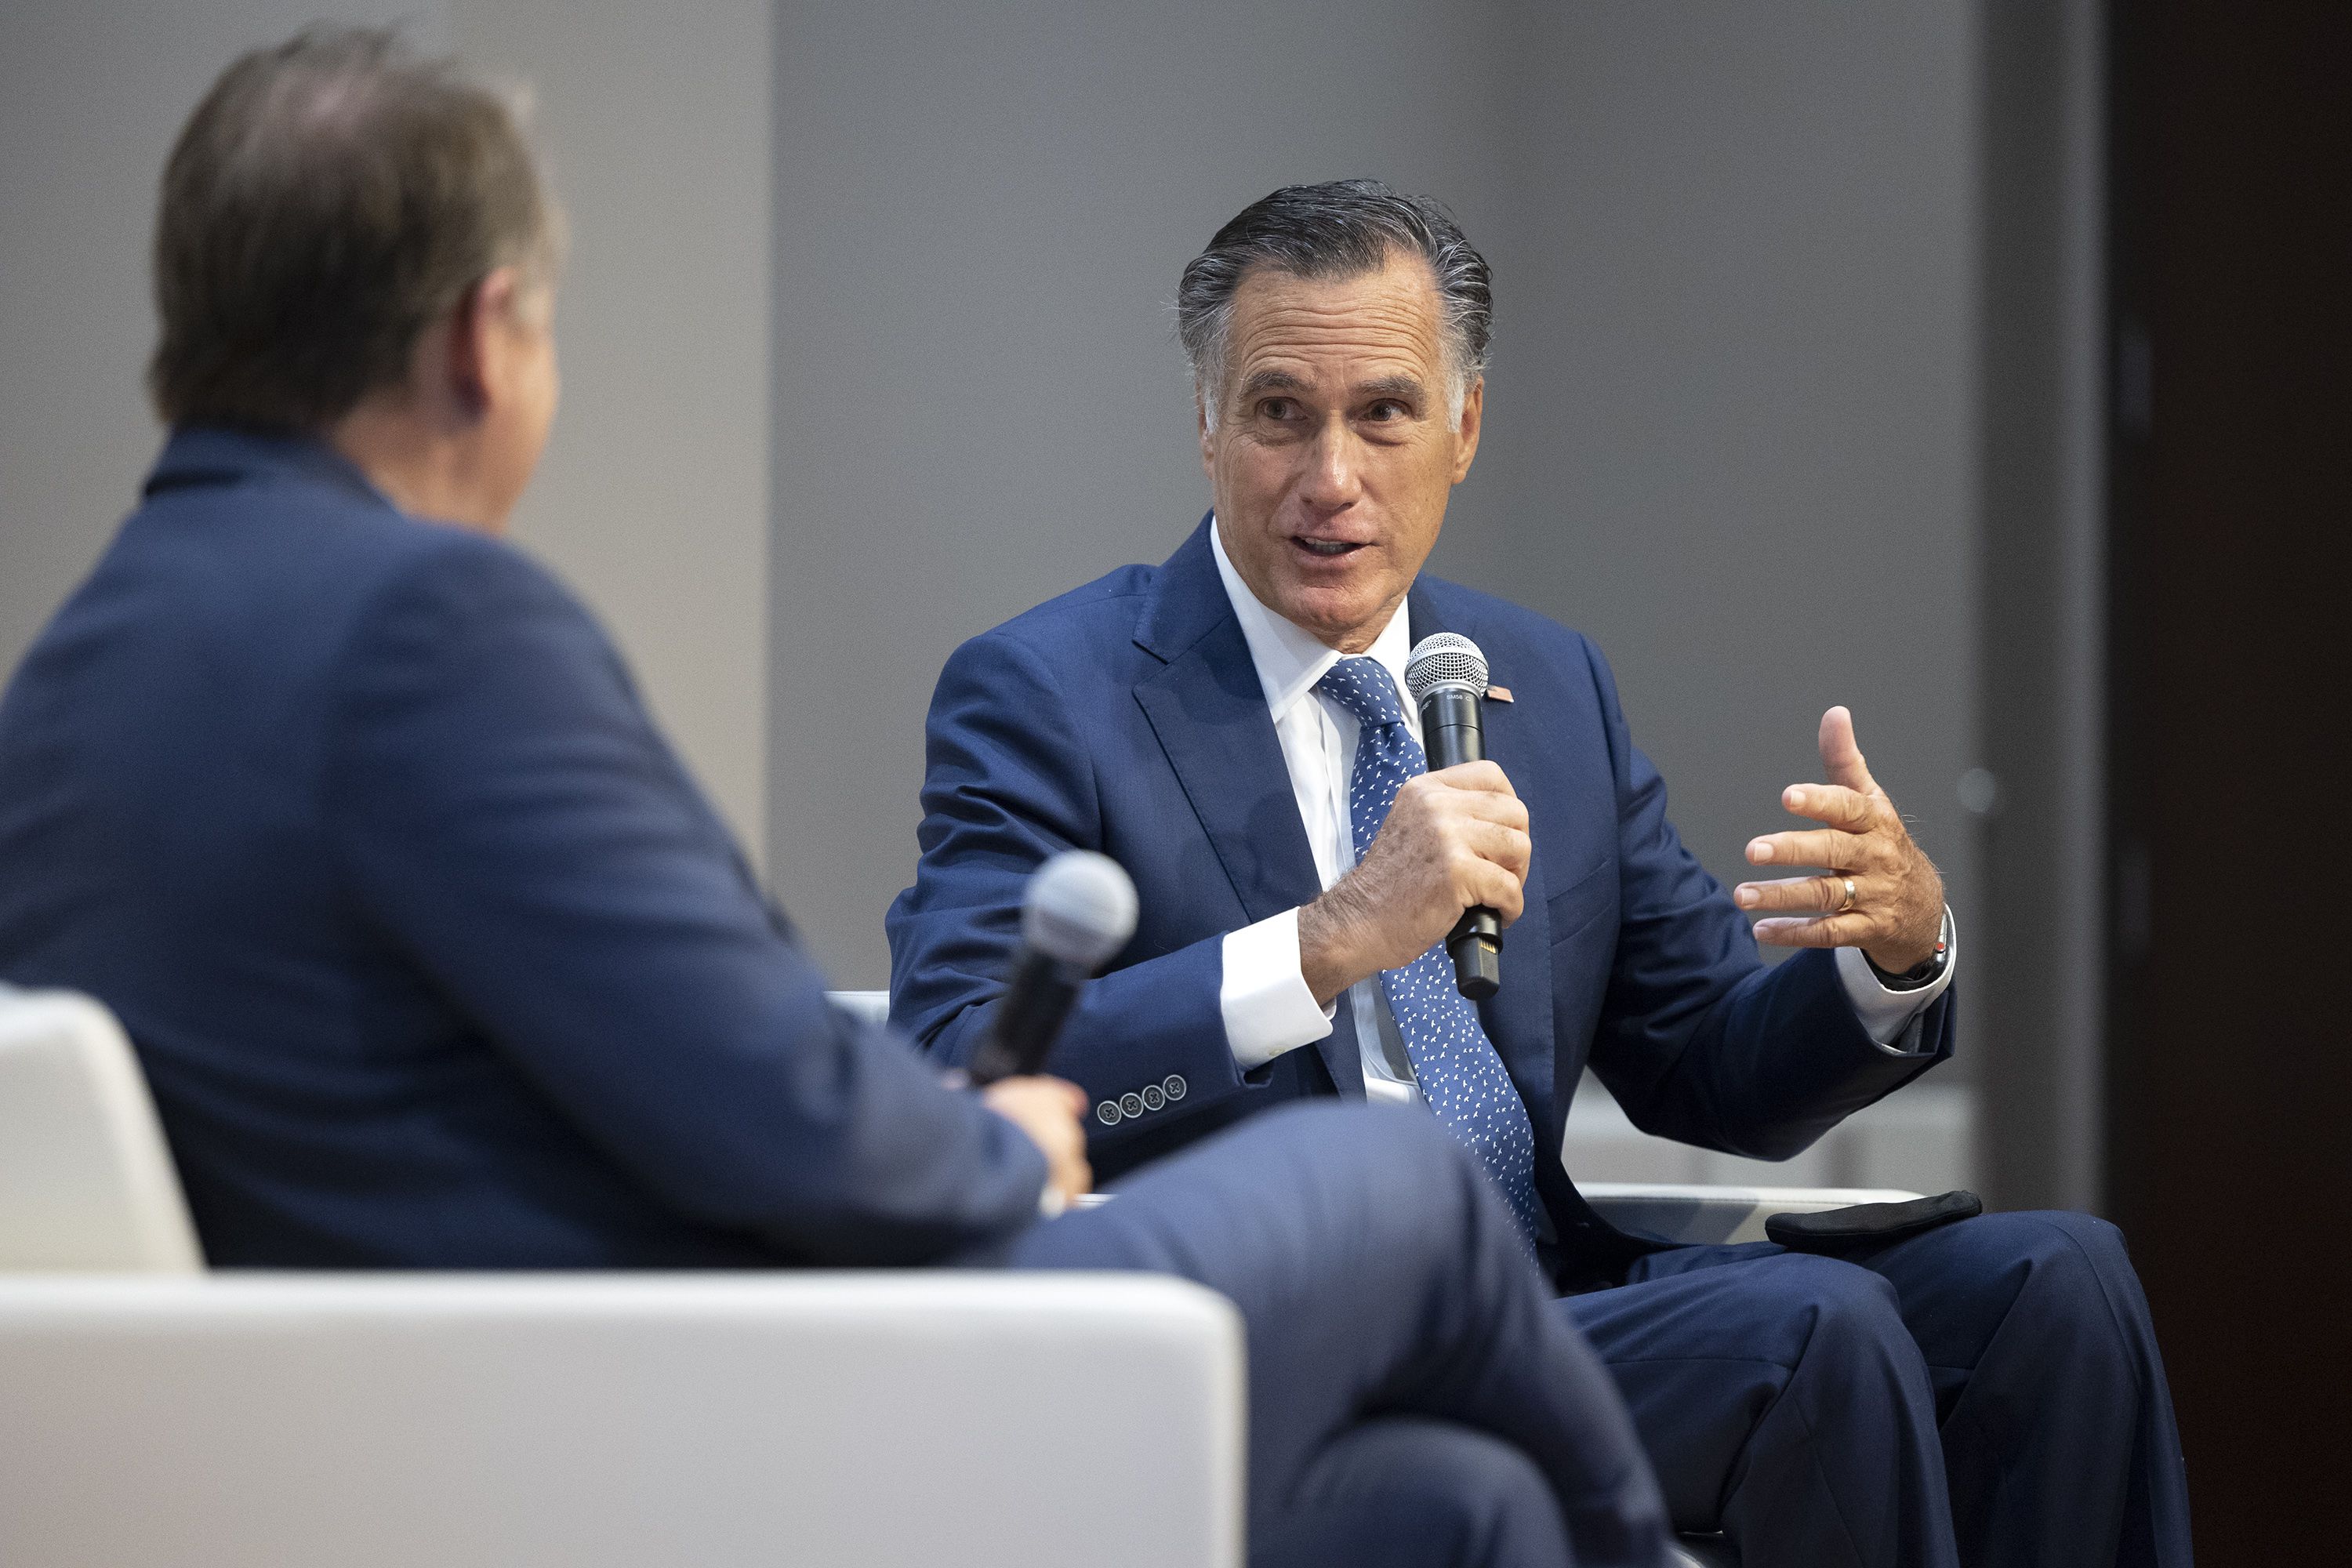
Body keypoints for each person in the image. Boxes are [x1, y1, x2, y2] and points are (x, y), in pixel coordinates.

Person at [0, 38, 1672, 1568]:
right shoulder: (424, 619)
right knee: (1399, 1192)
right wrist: (985, 1147)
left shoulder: (73, 673)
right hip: (720, 1394)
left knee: (1463, 1511)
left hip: (427, 1418)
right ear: (477, 339)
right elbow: (766, 1095)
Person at [889, 180, 2193, 1568]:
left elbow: (1704, 1066)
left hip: (1561, 1291)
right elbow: (954, 1072)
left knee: (2064, 1282)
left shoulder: (1548, 682)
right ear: (1206, 426)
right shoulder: (1052, 690)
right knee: (1817, 1333)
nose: (1330, 476)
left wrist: (1893, 960)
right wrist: (1325, 943)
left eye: (1384, 413)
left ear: (1463, 430)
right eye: (1280, 413)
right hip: (1303, 1343)